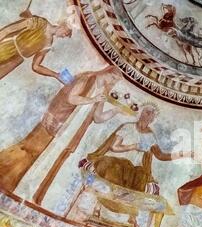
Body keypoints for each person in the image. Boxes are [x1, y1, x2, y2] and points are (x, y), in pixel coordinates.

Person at [0, 66, 123, 194]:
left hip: (68, 133)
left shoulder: (102, 92)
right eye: (112, 78)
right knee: (29, 149)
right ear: (105, 72)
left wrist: (115, 111)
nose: (112, 82)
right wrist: (92, 99)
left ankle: (13, 185)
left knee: (42, 160)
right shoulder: (87, 78)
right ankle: (3, 176)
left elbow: (98, 117)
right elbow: (72, 98)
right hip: (55, 122)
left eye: (115, 81)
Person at [82, 105, 192, 227]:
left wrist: (182, 154)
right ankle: (98, 207)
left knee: (140, 178)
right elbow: (114, 147)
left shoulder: (151, 136)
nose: (148, 116)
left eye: (152, 114)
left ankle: (131, 217)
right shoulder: (128, 127)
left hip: (136, 168)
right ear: (140, 113)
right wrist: (133, 146)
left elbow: (161, 155)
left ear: (153, 119)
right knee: (114, 170)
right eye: (147, 112)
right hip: (118, 161)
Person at [0, 13, 72, 82]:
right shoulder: (40, 23)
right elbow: (8, 30)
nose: (64, 36)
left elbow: (36, 66)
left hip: (14, 61)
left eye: (66, 35)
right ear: (62, 26)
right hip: (7, 48)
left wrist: (56, 75)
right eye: (66, 32)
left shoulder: (48, 44)